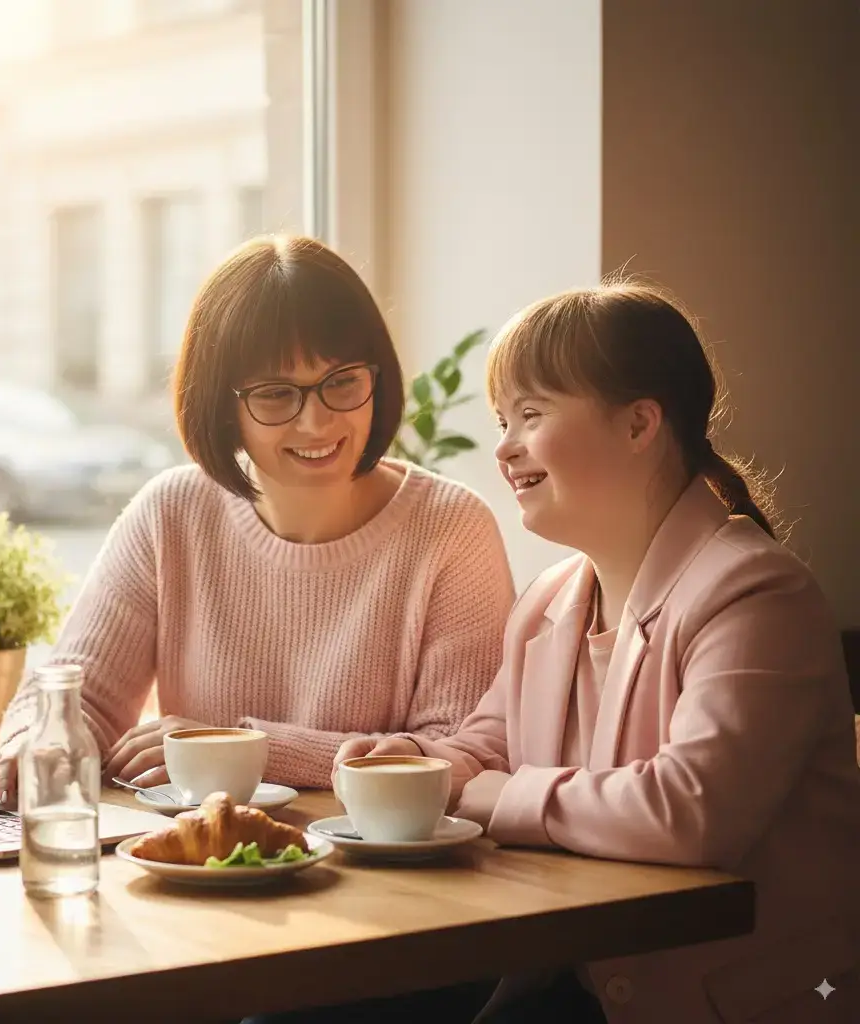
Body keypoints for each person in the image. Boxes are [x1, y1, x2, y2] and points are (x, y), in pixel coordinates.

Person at [334, 283, 860, 1024]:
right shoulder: (549, 599)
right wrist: (425, 767)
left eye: (531, 414)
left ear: (640, 422)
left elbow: (693, 811)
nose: (505, 446)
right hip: (578, 992)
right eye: (501, 420)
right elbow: (493, 741)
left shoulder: (758, 595)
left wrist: (491, 795)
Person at [0, 235, 515, 809]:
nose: (317, 422)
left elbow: (454, 759)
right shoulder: (171, 513)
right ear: (221, 407)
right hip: (202, 867)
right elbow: (79, 695)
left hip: (377, 876)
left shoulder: (451, 528)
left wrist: (246, 749)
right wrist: (29, 745)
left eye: (343, 381)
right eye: (277, 395)